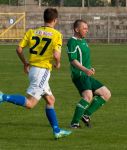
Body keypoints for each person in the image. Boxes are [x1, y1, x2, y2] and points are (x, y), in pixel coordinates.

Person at [0, 8, 71, 139]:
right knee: (30, 103)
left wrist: (25, 63)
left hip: (33, 69)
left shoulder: (32, 32)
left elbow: (19, 49)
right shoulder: (56, 35)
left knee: (50, 100)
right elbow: (56, 54)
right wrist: (58, 63)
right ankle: (3, 97)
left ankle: (57, 131)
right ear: (55, 20)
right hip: (42, 71)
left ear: (44, 18)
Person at [66, 19, 111, 128]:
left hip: (86, 74)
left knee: (106, 94)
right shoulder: (72, 42)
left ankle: (86, 115)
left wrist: (90, 68)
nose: (87, 30)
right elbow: (73, 60)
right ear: (77, 29)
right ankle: (74, 123)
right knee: (87, 97)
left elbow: (84, 59)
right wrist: (85, 70)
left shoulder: (83, 41)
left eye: (87, 28)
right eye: (84, 28)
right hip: (79, 75)